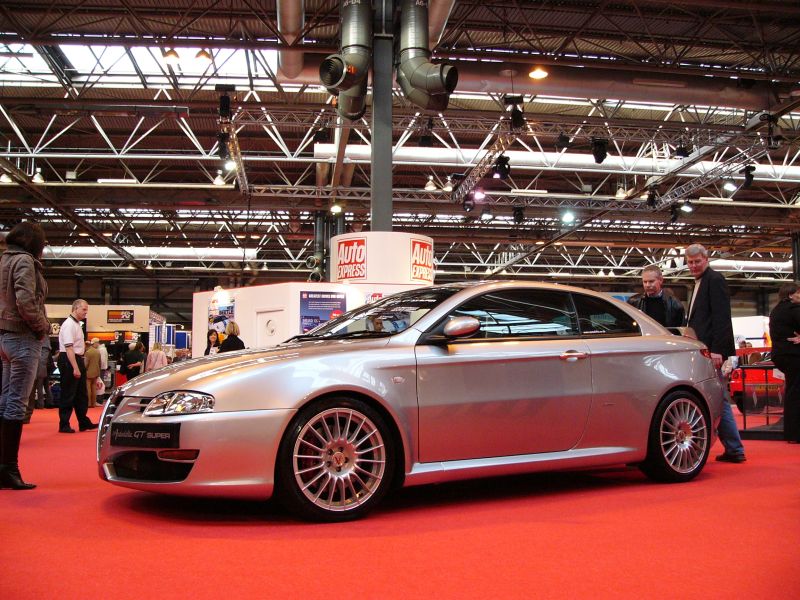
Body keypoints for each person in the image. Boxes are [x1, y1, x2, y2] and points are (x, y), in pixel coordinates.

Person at [685, 243, 746, 463]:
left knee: (719, 398)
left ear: (706, 259)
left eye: (697, 262)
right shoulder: (700, 283)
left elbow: (722, 318)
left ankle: (734, 448)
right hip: (705, 349)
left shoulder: (715, 280)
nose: (693, 266)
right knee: (718, 397)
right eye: (690, 262)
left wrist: (719, 350)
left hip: (713, 350)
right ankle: (734, 448)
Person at [0, 221, 50, 489]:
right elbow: (26, 299)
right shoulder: (24, 262)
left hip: (5, 337)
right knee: (16, 403)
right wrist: (41, 327)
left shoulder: (4, 260)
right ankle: (9, 468)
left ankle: (3, 467)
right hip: (22, 337)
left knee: (6, 399)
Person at [57, 299, 96, 434]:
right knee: (68, 393)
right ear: (75, 309)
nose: (86, 312)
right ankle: (64, 424)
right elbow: (69, 348)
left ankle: (83, 422)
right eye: (84, 309)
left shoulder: (76, 324)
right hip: (69, 359)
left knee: (81, 394)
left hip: (77, 358)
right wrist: (75, 367)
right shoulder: (68, 325)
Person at [768, 282, 800, 443]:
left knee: (792, 392)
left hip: (780, 355)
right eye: (799, 294)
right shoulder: (793, 309)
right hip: (794, 355)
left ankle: (792, 433)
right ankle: (795, 433)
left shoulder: (775, 311)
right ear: (790, 295)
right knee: (795, 393)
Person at [84, 338, 101, 408]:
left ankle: (88, 403)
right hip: (96, 372)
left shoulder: (88, 352)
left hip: (88, 372)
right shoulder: (98, 352)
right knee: (94, 388)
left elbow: (86, 364)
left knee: (88, 388)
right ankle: (94, 403)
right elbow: (100, 363)